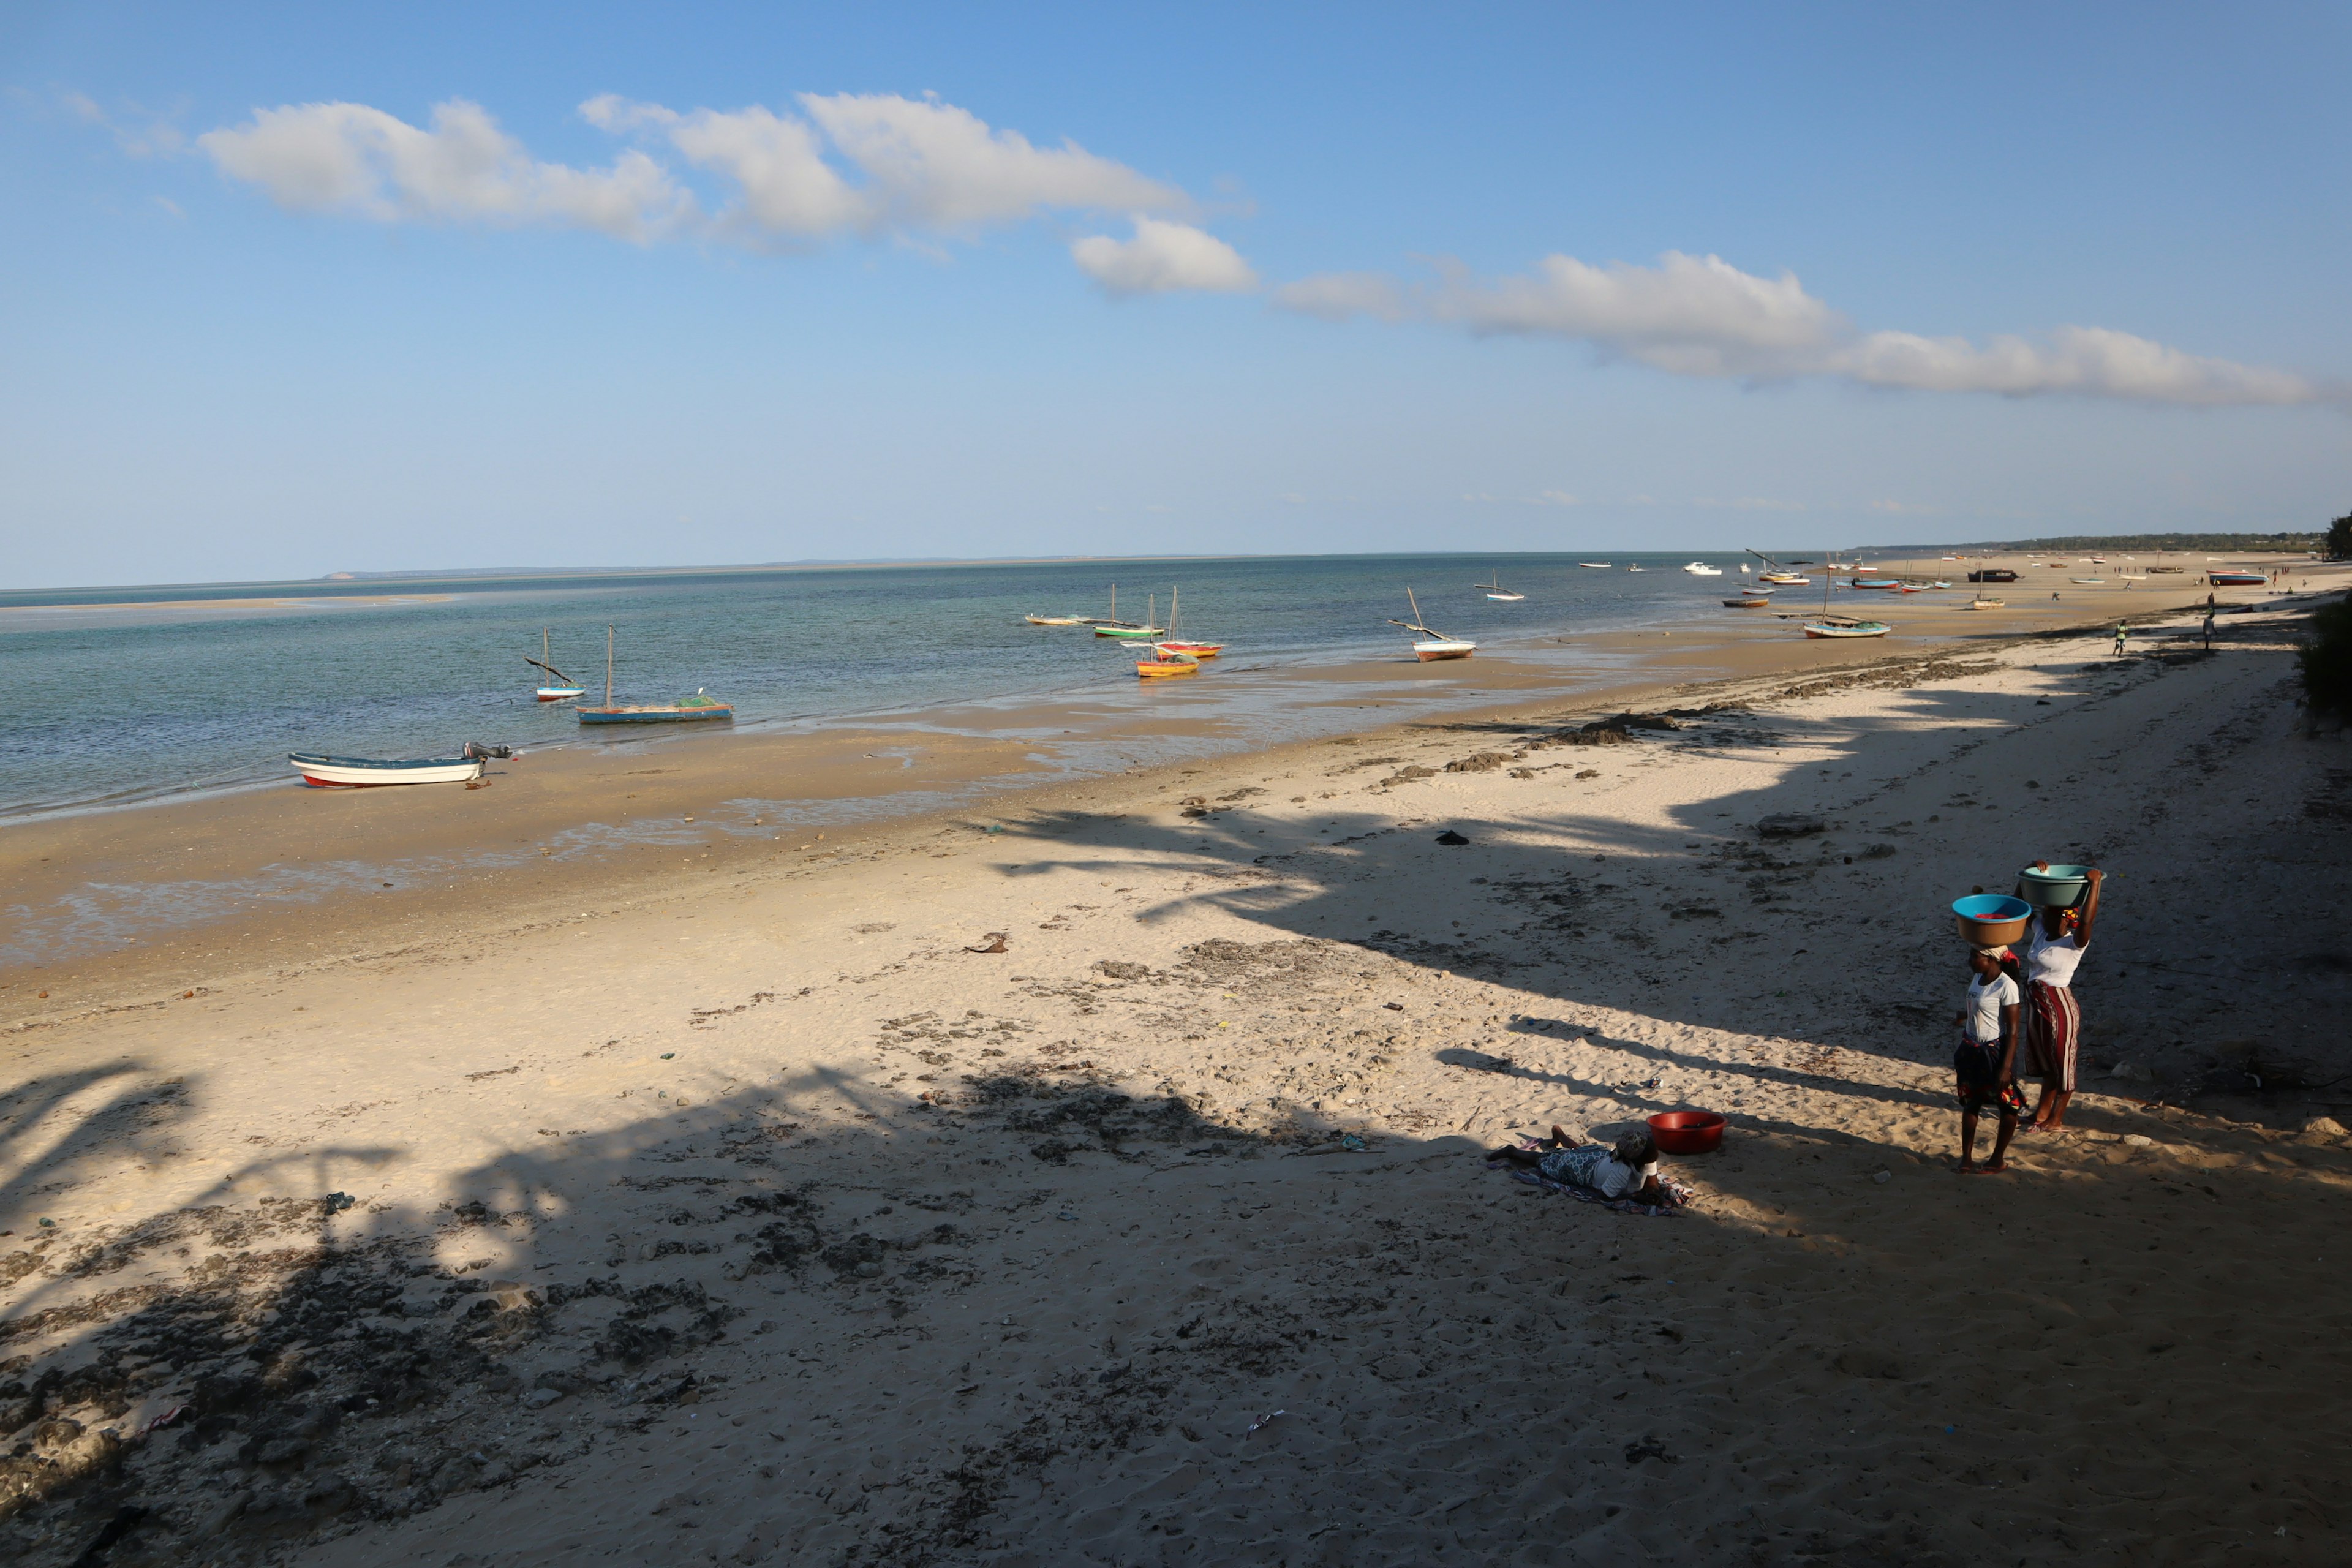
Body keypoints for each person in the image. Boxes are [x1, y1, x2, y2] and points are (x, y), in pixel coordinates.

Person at [2011, 863, 2104, 1133]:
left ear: (2065, 918)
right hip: (2036, 1003)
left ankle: (2057, 1118)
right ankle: (2041, 1113)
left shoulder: (2074, 943)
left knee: (2063, 1063)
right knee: (2047, 1063)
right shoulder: (2042, 930)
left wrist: (2095, 884)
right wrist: (2027, 874)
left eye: (2050, 913)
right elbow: (2018, 909)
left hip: (2058, 1005)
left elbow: (2088, 921)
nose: (2044, 916)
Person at [1953, 946, 2026, 1173]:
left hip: (1994, 1052)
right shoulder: (1977, 978)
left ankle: (1997, 1159)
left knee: (2008, 1106)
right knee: (1971, 1103)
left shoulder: (2007, 986)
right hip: (1971, 1049)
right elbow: (1980, 1008)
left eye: (1975, 956)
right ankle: (1966, 1158)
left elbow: (2013, 1030)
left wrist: (2006, 1067)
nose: (1970, 961)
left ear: (1991, 959)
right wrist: (1964, 1016)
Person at [1490, 1126, 1661, 1202]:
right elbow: (1605, 1196)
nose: (1656, 1155)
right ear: (1635, 1158)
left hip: (1600, 1159)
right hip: (1585, 1170)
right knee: (1550, 1161)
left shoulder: (1647, 1160)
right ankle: (1512, 1151)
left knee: (1581, 1151)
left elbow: (1652, 1185)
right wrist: (1635, 1197)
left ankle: (1560, 1135)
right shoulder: (1621, 1172)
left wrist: (1652, 1194)